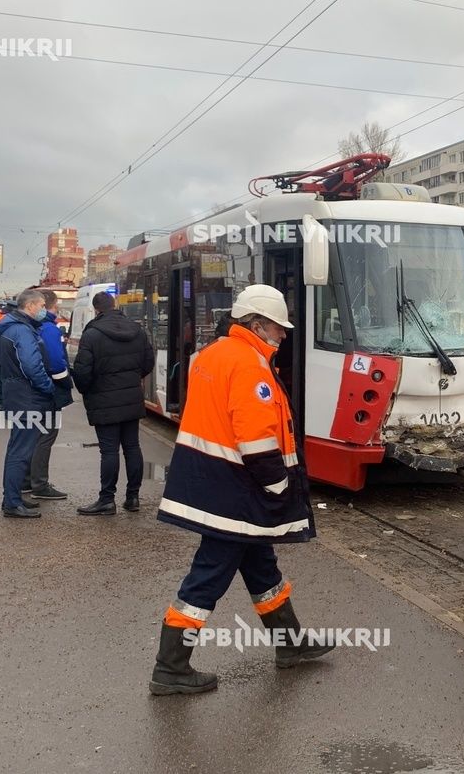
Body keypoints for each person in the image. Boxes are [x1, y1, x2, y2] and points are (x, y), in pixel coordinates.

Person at [149, 284, 328, 696]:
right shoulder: (250, 365)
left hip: (214, 481)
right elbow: (256, 436)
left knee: (263, 568)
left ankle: (291, 645)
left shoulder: (213, 355)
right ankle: (171, 667)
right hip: (236, 491)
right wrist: (278, 485)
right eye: (278, 328)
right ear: (257, 324)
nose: (283, 335)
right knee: (207, 578)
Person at [71, 291, 155, 516]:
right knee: (132, 447)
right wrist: (132, 378)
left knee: (109, 451)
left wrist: (87, 389)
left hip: (104, 399)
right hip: (131, 398)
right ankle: (133, 496)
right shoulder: (137, 329)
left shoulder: (92, 334)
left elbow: (82, 371)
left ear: (96, 309)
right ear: (115, 305)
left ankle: (107, 499)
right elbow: (148, 362)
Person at [0, 289, 56, 519]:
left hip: (16, 393)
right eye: (41, 306)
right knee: (21, 451)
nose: (43, 310)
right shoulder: (22, 331)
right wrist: (48, 386)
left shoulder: (10, 328)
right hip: (26, 396)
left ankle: (13, 498)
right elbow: (31, 365)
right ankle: (12, 503)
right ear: (30, 306)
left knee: (17, 448)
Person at [22, 289, 72, 502]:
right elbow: (56, 362)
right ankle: (40, 484)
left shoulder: (30, 326)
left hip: (29, 391)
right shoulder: (50, 329)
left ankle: (27, 480)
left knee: (34, 435)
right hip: (49, 391)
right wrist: (66, 382)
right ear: (51, 305)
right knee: (47, 435)